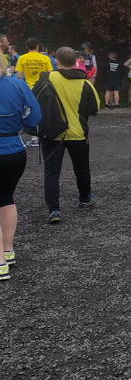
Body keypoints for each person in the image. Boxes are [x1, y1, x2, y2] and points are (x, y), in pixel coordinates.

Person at [40, 47, 100, 224]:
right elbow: (95, 108)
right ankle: (84, 198)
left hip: (52, 132)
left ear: (56, 61)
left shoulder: (46, 78)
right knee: (81, 168)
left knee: (51, 172)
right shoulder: (85, 83)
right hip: (78, 132)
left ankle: (53, 210)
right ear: (75, 61)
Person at [0, 71, 42, 278]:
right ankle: (7, 251)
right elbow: (33, 117)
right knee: (6, 198)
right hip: (14, 149)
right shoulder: (17, 85)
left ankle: (0, 263)